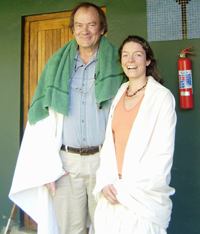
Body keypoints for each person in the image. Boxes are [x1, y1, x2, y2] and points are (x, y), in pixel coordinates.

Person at [8, 2, 125, 234]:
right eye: (79, 25)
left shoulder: (119, 62)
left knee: (109, 227)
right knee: (70, 230)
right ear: (73, 29)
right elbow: (39, 118)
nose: (85, 31)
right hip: (65, 165)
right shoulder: (56, 65)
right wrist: (46, 168)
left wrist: (121, 167)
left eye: (92, 24)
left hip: (104, 161)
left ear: (102, 28)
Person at [93, 35, 177, 234]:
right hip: (111, 193)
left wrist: (127, 188)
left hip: (142, 199)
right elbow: (109, 145)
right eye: (125, 55)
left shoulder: (162, 98)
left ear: (147, 61)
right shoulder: (121, 92)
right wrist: (105, 181)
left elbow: (162, 155)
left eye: (137, 55)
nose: (130, 61)